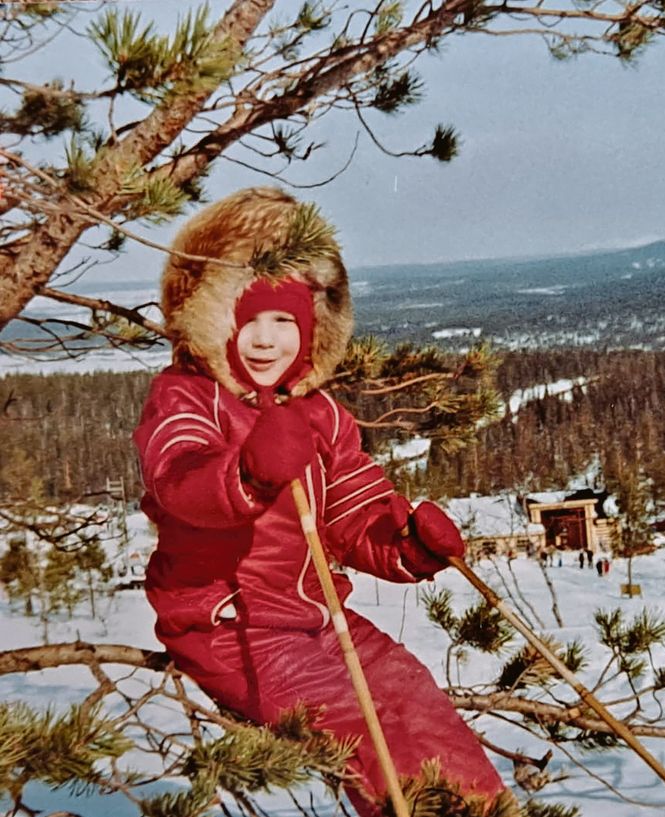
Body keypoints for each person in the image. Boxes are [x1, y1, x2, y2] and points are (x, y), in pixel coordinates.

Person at [134, 188, 508, 817]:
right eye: (246, 319)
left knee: (415, 701)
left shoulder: (323, 415)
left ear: (312, 331)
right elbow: (179, 479)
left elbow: (355, 511)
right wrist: (248, 472)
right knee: (365, 736)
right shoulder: (186, 398)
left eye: (284, 321)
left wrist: (406, 543)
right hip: (232, 626)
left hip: (319, 618)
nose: (264, 340)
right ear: (210, 320)